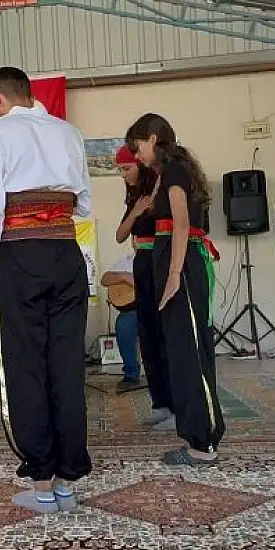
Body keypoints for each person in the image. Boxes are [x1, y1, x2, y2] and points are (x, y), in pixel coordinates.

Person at [0, 66, 92, 514]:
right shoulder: (69, 132)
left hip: (19, 257)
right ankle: (68, 479)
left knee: (26, 366)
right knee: (66, 365)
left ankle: (42, 483)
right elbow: (83, 202)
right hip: (67, 255)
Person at [125, 112, 225, 467]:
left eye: (137, 146)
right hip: (176, 265)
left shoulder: (176, 172)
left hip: (182, 268)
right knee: (182, 353)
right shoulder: (166, 174)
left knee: (190, 355)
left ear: (153, 138)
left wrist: (173, 275)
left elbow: (181, 224)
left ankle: (202, 442)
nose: (135, 156)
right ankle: (199, 436)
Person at [112, 144, 172, 426]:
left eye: (126, 168)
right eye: (120, 170)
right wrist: (135, 212)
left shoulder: (162, 189)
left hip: (160, 260)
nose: (123, 175)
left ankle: (177, 404)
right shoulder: (136, 196)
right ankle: (160, 403)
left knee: (165, 336)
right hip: (142, 264)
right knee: (147, 336)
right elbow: (120, 235)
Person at [100, 252, 142, 391]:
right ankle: (131, 374)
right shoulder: (129, 260)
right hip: (134, 309)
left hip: (158, 307)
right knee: (123, 325)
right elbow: (105, 279)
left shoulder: (163, 257)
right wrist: (125, 276)